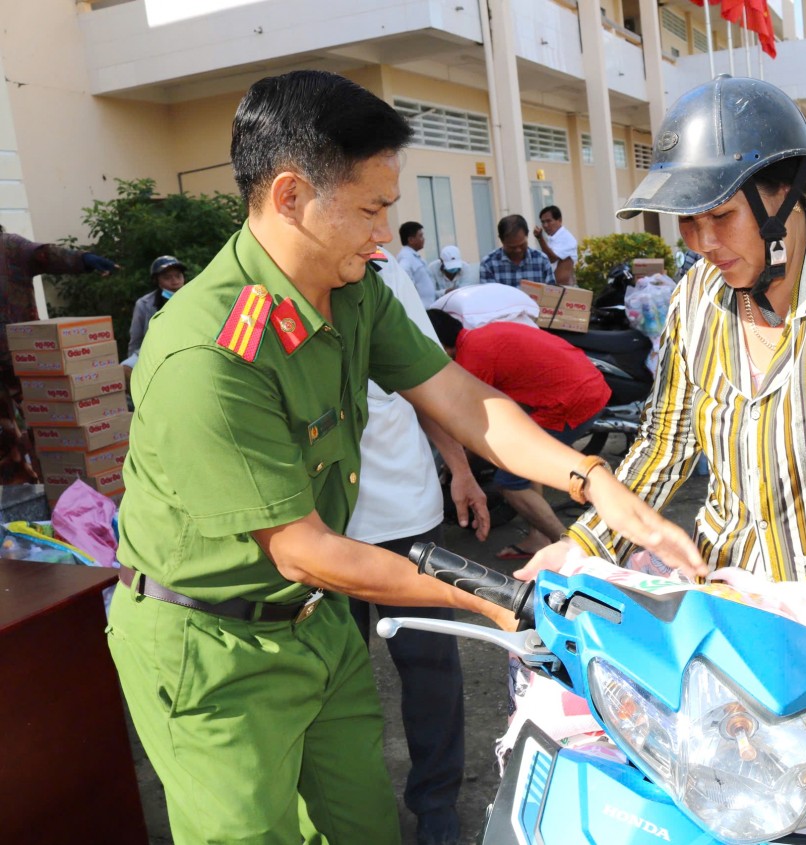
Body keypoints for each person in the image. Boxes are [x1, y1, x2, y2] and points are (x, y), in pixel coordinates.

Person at [107, 69, 703, 845]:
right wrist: (491, 597)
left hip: (314, 622)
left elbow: (458, 396)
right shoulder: (208, 355)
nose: (385, 231)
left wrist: (593, 480)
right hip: (212, 649)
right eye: (370, 209)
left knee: (365, 825)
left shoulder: (350, 287)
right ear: (290, 196)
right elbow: (302, 547)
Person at [518, 76, 806, 844]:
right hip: (734, 643)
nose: (701, 244)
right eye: (687, 222)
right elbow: (667, 439)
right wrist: (586, 540)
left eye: (719, 217)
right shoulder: (698, 300)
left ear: (782, 195)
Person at [348, 254, 487, 845]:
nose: (379, 233)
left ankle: (436, 802)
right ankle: (353, 810)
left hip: (406, 515)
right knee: (338, 683)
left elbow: (427, 383)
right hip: (322, 531)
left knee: (430, 670)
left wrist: (461, 469)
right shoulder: (266, 288)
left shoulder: (387, 276)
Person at [426, 309, 609, 561]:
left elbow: (475, 429)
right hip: (588, 385)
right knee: (528, 464)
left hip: (573, 401)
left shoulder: (472, 359)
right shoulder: (481, 336)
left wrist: (458, 465)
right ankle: (538, 536)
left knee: (509, 483)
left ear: (441, 347)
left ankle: (571, 552)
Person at [0, 225, 116, 483]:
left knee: (47, 424)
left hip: (23, 355)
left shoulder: (9, 246)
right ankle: (19, 491)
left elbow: (45, 255)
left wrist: (84, 260)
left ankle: (65, 485)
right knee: (3, 439)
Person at [126, 255, 187, 363]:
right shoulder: (144, 304)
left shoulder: (195, 298)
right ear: (156, 280)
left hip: (187, 349)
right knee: (126, 367)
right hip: (154, 354)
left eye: (178, 276)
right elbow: (136, 338)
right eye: (167, 277)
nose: (175, 281)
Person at [479, 214, 555, 287]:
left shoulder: (541, 260)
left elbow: (552, 292)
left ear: (527, 235)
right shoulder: (489, 264)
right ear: (501, 240)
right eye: (512, 247)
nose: (518, 250)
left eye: (522, 245)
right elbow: (488, 294)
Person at [532, 205, 578, 286]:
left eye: (549, 221)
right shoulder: (552, 238)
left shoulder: (566, 237)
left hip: (566, 289)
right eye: (543, 222)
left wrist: (540, 238)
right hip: (556, 288)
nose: (545, 225)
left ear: (559, 220)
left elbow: (552, 258)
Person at [397, 220, 436, 307]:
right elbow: (404, 278)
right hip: (420, 308)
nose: (423, 239)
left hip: (428, 306)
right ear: (411, 240)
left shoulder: (415, 257)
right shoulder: (406, 257)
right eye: (420, 236)